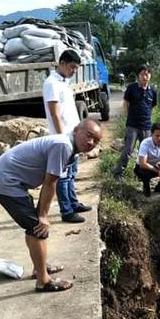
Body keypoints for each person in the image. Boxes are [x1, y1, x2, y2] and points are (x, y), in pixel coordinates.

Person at [0, 117, 103, 292]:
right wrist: (43, 216)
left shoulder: (69, 148)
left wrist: (42, 213)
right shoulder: (63, 145)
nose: (91, 142)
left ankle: (38, 267)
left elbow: (50, 183)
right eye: (88, 135)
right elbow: (50, 183)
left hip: (9, 179)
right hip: (5, 181)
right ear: (76, 130)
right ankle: (43, 281)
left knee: (33, 226)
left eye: (96, 140)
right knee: (38, 228)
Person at [42, 49, 92, 223]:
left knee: (71, 172)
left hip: (73, 136)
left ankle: (73, 202)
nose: (74, 71)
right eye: (72, 67)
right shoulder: (51, 84)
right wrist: (62, 137)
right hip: (63, 138)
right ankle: (67, 211)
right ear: (61, 63)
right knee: (62, 176)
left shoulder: (64, 82)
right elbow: (55, 113)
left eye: (76, 68)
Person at [113, 64, 157, 179]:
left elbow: (152, 107)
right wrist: (130, 118)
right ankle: (118, 173)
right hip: (132, 126)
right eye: (142, 74)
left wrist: (146, 118)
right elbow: (126, 104)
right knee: (128, 150)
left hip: (146, 127)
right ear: (138, 76)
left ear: (150, 76)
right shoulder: (132, 88)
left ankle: (142, 174)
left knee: (145, 152)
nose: (145, 76)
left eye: (147, 74)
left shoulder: (152, 90)